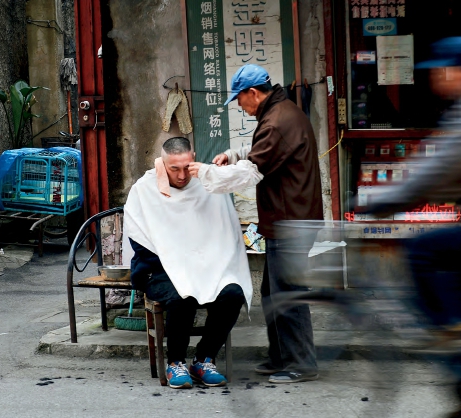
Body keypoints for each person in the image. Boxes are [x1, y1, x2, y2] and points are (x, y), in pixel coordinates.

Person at [366, 36, 461, 417]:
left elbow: (437, 170)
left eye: (440, 71)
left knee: (424, 250)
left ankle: (459, 352)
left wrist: (382, 202)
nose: (436, 80)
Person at [188, 64, 324, 384]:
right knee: (273, 293)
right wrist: (235, 154)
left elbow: (252, 172)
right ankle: (280, 356)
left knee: (288, 294)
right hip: (289, 218)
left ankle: (301, 363)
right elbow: (265, 153)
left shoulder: (276, 120)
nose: (239, 105)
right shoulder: (281, 112)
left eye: (240, 99)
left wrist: (207, 175)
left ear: (253, 93)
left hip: (291, 222)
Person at [124, 137, 253, 389]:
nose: (182, 176)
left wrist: (203, 262)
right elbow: (140, 241)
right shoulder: (144, 189)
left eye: (187, 167)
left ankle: (204, 359)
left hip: (206, 265)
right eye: (174, 169)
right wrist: (180, 263)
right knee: (183, 293)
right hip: (160, 269)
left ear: (193, 158)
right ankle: (176, 363)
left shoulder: (207, 183)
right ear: (163, 162)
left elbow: (224, 232)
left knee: (233, 293)